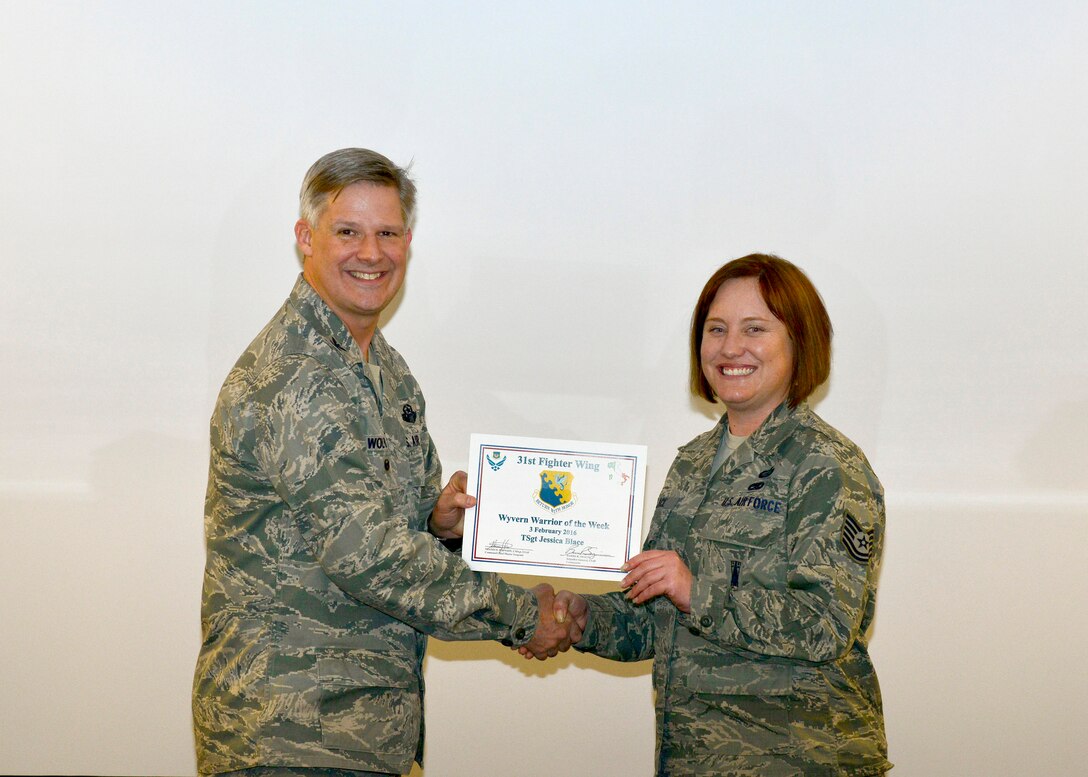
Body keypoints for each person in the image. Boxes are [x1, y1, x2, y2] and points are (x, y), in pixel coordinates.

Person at [192, 148, 576, 777]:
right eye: (348, 232)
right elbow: (366, 554)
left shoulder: (388, 374)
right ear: (305, 238)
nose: (370, 253)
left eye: (387, 233)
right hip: (290, 734)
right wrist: (522, 614)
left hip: (366, 734)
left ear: (408, 242)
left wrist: (441, 521)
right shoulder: (295, 376)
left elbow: (397, 530)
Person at [548, 254, 892, 776]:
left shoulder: (827, 468)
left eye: (755, 329)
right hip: (694, 758)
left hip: (796, 760)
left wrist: (695, 590)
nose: (731, 348)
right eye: (716, 329)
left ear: (800, 341)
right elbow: (656, 621)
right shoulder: (692, 463)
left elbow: (824, 626)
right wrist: (579, 619)